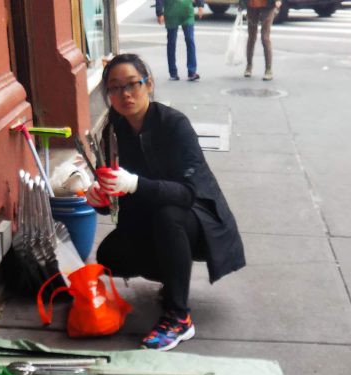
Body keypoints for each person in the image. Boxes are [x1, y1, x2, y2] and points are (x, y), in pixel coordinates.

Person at [86, 54, 245, 351]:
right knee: (110, 255)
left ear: (149, 84)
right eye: (115, 88)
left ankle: (178, 317)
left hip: (197, 221)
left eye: (133, 84)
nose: (125, 94)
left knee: (168, 213)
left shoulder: (174, 125)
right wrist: (97, 197)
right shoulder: (112, 130)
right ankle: (174, 278)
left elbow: (187, 193)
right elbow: (111, 203)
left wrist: (134, 183)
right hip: (149, 219)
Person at [155, 0, 204, 82]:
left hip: (187, 12)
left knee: (190, 39)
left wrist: (200, 5)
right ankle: (173, 72)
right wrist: (159, 12)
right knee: (171, 42)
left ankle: (192, 72)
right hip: (171, 12)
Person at [242, 0, 280, 81]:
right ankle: (249, 66)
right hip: (252, 5)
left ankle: (268, 69)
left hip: (268, 5)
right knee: (252, 36)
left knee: (265, 37)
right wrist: (241, 3)